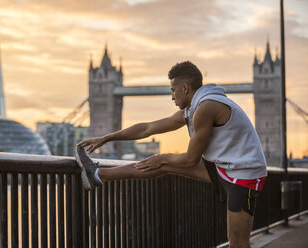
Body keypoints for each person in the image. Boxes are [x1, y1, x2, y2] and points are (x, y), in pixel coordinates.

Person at [76, 61, 267, 248]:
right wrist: (108, 137)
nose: (172, 97)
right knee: (160, 164)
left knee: (238, 244)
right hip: (224, 167)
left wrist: (162, 157)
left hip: (245, 176)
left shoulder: (206, 108)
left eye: (173, 90)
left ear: (185, 88)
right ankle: (96, 175)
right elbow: (147, 129)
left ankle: (96, 174)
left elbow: (190, 159)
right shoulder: (193, 108)